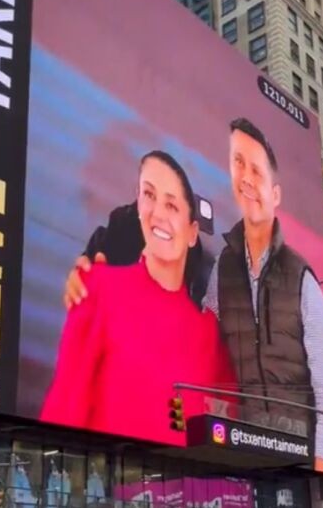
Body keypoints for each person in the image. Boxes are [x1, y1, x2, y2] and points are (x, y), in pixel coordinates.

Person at [62, 119, 323, 473]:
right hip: (249, 462)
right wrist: (93, 263)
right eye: (238, 163)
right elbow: (194, 330)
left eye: (256, 169)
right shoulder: (219, 271)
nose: (245, 177)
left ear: (275, 194)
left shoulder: (302, 279)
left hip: (302, 464)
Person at [41, 151, 237, 446]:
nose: (158, 213)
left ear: (193, 231)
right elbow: (65, 407)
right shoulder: (98, 286)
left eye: (171, 205)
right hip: (102, 484)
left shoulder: (209, 328)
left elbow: (227, 428)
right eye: (149, 195)